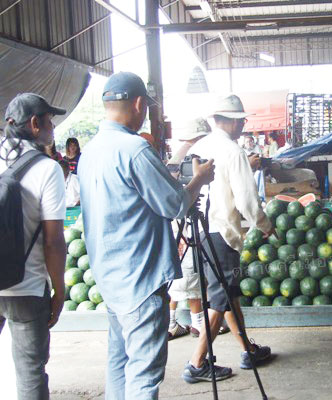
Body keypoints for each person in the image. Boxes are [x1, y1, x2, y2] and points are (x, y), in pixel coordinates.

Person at [78, 71, 214, 399]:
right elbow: (175, 205)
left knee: (119, 363)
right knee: (143, 373)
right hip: (140, 277)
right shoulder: (135, 150)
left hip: (110, 278)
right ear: (139, 104)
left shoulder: (90, 151)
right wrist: (199, 179)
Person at [182, 94, 274, 384]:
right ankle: (197, 363)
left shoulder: (199, 146)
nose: (243, 125)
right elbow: (247, 200)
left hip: (199, 231)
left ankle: (248, 349)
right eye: (241, 120)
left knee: (228, 293)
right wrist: (265, 225)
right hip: (221, 234)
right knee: (220, 300)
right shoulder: (233, 151)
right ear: (233, 122)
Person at [0, 93, 67, 399]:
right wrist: (59, 290)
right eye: (50, 120)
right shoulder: (47, 169)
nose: (53, 126)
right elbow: (53, 241)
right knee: (30, 374)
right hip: (27, 289)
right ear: (34, 124)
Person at [166, 118, 211, 339]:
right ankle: (199, 323)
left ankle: (171, 322)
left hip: (174, 224)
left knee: (175, 275)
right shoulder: (196, 156)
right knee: (192, 272)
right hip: (184, 223)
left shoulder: (174, 160)